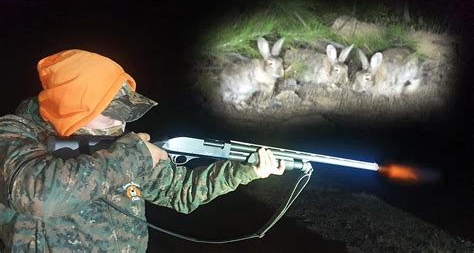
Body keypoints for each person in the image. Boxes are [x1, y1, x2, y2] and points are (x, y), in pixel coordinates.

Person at [0, 49, 286, 252]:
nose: (120, 122)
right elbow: (38, 195)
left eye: (124, 112)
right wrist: (133, 155)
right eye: (109, 112)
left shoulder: (116, 145)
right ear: (72, 107)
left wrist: (245, 169)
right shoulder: (15, 133)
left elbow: (181, 193)